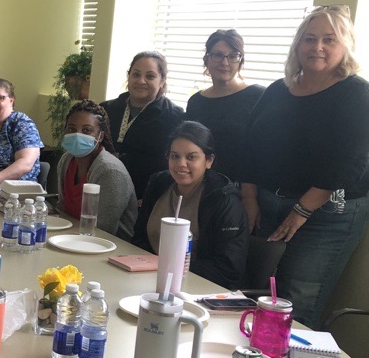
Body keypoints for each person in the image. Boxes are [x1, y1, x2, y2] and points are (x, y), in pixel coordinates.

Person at [240, 5, 369, 327]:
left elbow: (348, 163)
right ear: (298, 45)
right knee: (253, 293)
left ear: (346, 45)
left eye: (330, 39)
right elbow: (249, 145)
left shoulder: (356, 94)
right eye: (309, 39)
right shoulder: (278, 90)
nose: (318, 47)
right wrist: (249, 198)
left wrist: (301, 211)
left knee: (295, 302)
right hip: (268, 202)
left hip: (329, 212)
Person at [133, 121, 248, 289]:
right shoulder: (158, 184)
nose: (181, 164)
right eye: (174, 156)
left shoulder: (224, 201)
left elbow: (228, 270)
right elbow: (139, 238)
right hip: (148, 278)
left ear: (209, 160)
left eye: (191, 157)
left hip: (197, 287)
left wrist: (173, 267)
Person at [101, 51, 185, 202]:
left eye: (150, 76)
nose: (141, 81)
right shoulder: (106, 109)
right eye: (136, 74)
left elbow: (175, 162)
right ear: (129, 76)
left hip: (147, 198)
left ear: (162, 80)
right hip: (105, 189)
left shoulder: (175, 117)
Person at [185, 29, 265, 182]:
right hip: (204, 186)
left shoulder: (258, 96)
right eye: (217, 55)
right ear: (206, 59)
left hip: (245, 189)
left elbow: (263, 150)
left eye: (233, 56)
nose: (225, 62)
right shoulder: (196, 102)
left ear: (240, 61)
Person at [55, 100, 136, 239]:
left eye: (86, 130)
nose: (77, 135)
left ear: (100, 136)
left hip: (109, 246)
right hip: (71, 238)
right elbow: (62, 211)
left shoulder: (110, 171)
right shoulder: (66, 160)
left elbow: (104, 229)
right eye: (72, 129)